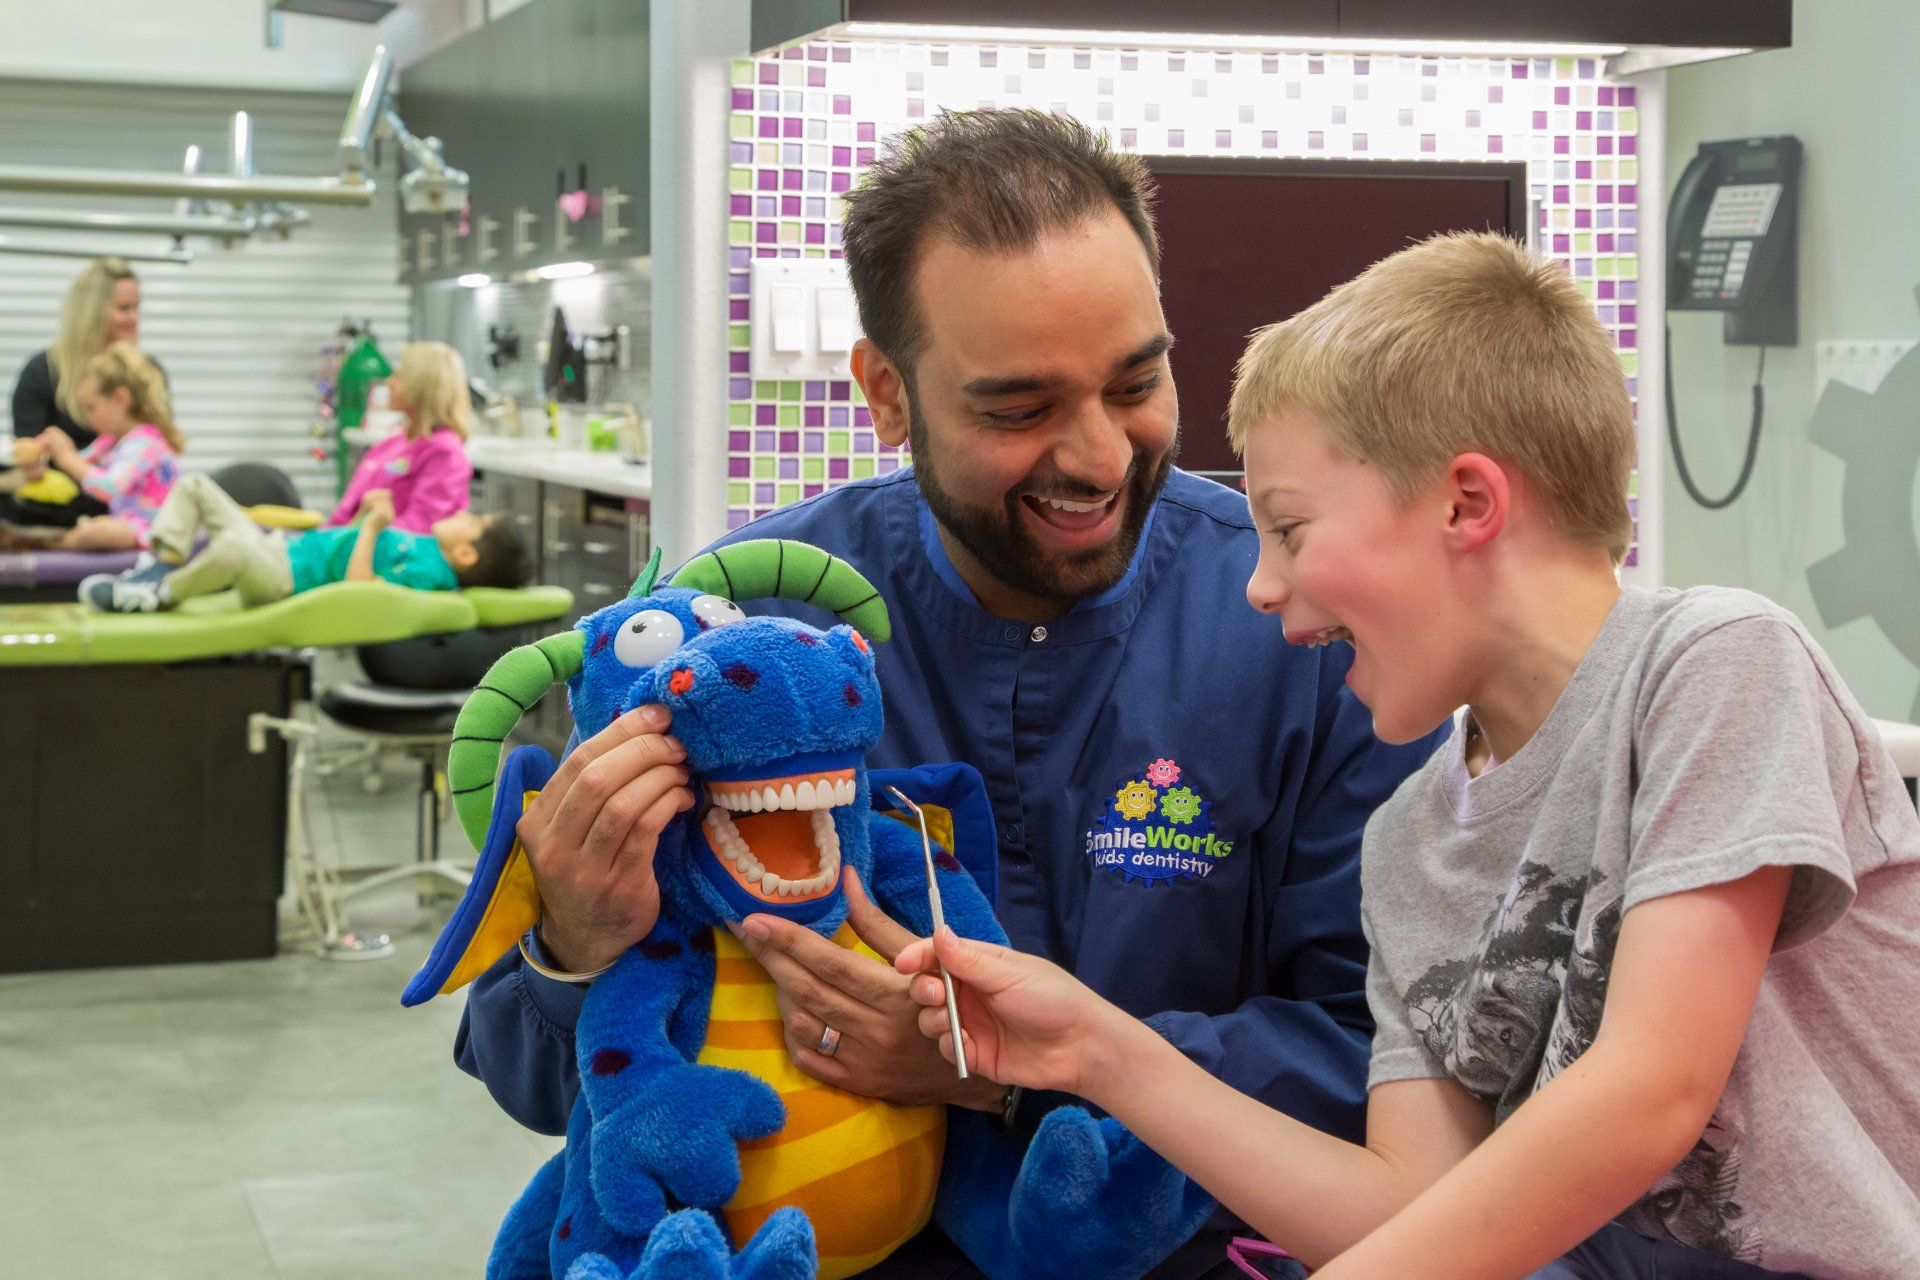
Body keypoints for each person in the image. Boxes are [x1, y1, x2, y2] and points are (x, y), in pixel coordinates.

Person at [453, 108, 1443, 1278]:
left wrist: (1024, 1064)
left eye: (1137, 380)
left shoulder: (1302, 624)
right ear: (886, 391)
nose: (1100, 456)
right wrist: (575, 935)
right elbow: (536, 1081)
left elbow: (1380, 1049)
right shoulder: (750, 645)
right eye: (1017, 409)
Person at [889, 231, 1920, 1280]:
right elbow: (1401, 1210)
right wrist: (1098, 1053)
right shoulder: (1412, 838)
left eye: (1287, 528)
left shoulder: (1715, 664)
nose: (1258, 585)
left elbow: (1649, 1091)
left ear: (1464, 503)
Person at [81, 474, 530, 614]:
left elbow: (359, 590)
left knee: (234, 553)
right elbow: (349, 548)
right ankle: (161, 565)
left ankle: (162, 594)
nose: (462, 513)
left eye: (472, 521)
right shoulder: (427, 548)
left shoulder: (433, 574)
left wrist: (373, 527)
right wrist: (363, 521)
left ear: (466, 555)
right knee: (195, 485)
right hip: (281, 548)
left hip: (279, 578)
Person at [1, 342, 182, 552]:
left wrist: (68, 458)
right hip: (125, 521)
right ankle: (39, 537)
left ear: (120, 399)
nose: (87, 418)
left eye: (91, 408)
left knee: (100, 531)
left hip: (154, 528)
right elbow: (80, 464)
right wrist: (54, 449)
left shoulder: (146, 443)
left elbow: (108, 486)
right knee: (92, 524)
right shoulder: (110, 441)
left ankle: (48, 544)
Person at [326, 340, 476, 535]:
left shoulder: (444, 451)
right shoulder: (391, 444)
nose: (389, 383)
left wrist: (353, 541)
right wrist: (324, 542)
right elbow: (345, 511)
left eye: (400, 376)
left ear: (424, 385)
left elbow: (419, 528)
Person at [10, 256, 156, 451]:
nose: (134, 318)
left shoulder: (147, 372)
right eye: (124, 308)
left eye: (136, 307)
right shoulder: (43, 371)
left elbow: (161, 443)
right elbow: (28, 449)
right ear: (92, 312)